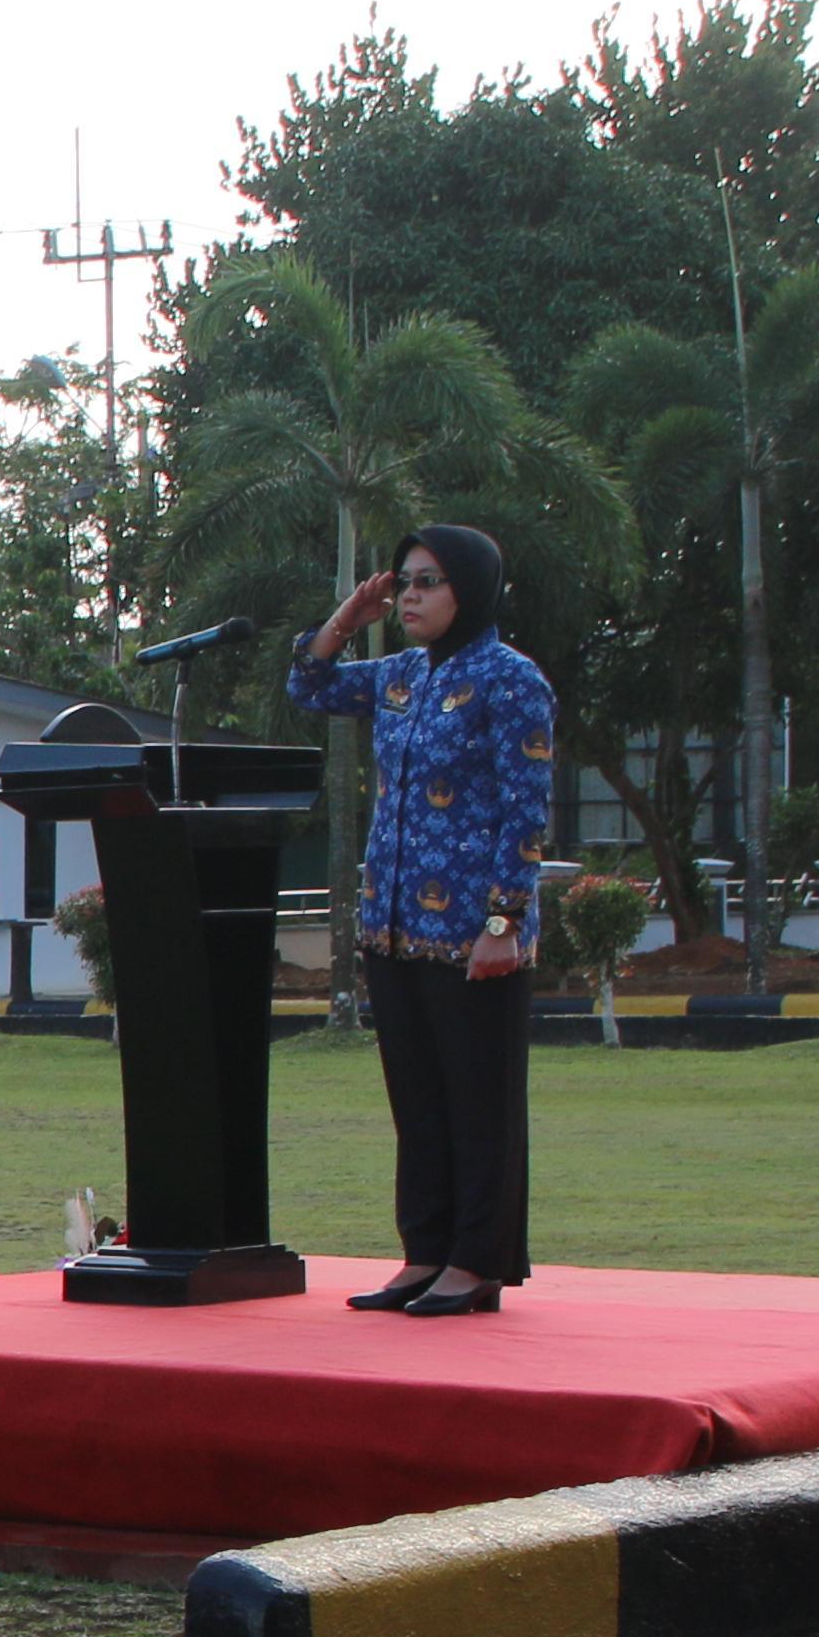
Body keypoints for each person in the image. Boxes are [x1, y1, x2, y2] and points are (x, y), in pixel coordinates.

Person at [286, 522, 555, 1316]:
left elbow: (525, 810)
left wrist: (504, 923)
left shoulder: (512, 680)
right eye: (403, 580)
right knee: (419, 1104)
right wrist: (345, 619)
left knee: (480, 1104)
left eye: (428, 581)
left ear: (469, 588)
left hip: (474, 932)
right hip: (394, 924)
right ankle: (425, 1252)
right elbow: (310, 685)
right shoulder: (401, 675)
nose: (409, 594)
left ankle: (478, 1263)